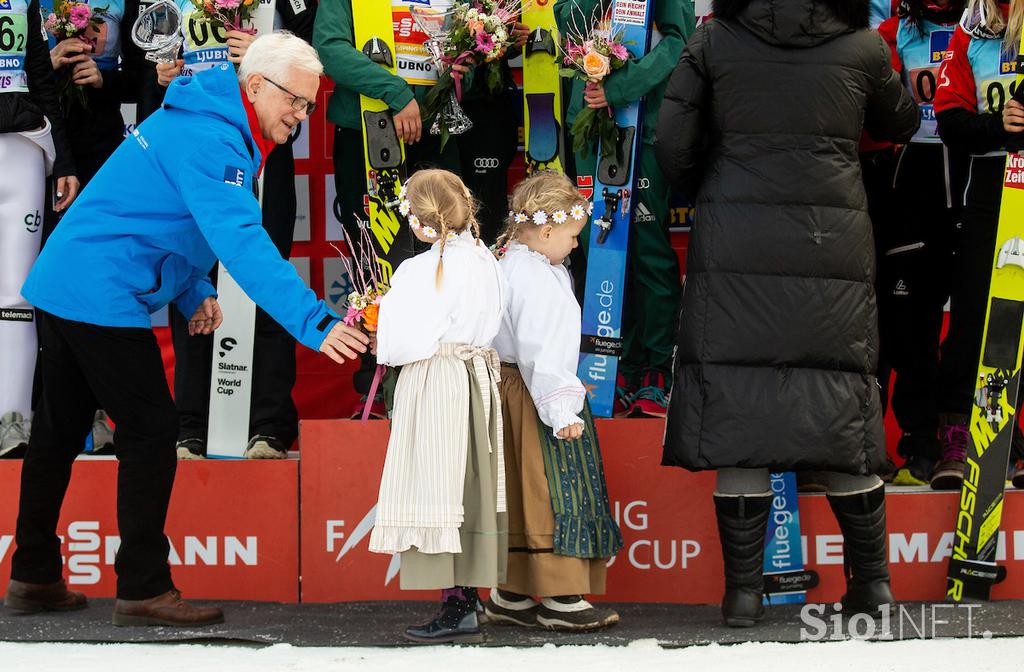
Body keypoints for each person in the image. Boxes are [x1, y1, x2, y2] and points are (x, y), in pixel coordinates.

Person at [4, 33, 369, 626]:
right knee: (151, 430)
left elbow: (156, 209)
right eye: (296, 102)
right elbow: (242, 243)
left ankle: (34, 574)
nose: (301, 116)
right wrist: (315, 320)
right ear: (256, 87)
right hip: (99, 288)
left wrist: (193, 287)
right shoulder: (214, 135)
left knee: (58, 431)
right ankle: (143, 587)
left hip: (69, 277)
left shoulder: (209, 116)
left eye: (309, 105)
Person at [656, 0, 918, 627]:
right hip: (832, 236)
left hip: (736, 234)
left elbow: (673, 142)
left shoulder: (715, 41)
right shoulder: (863, 45)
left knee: (736, 409)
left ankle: (743, 596)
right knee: (837, 402)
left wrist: (713, 188)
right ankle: (874, 586)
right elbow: (902, 120)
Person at [156, 0, 318, 460]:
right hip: (199, 147)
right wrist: (163, 76)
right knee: (192, 278)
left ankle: (268, 424)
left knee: (264, 269)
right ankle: (191, 425)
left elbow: (313, 51)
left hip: (264, 147)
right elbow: (149, 61)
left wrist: (269, 56)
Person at [368, 169, 507, 644]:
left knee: (438, 483)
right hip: (477, 378)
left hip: (437, 379)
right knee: (468, 484)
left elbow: (401, 341)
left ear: (423, 224)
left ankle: (457, 603)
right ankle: (469, 597)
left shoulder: (420, 269)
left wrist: (377, 330)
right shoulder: (486, 260)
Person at [484, 172, 623, 631]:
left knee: (520, 492)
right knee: (553, 488)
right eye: (571, 237)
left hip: (515, 390)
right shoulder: (536, 277)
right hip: (536, 394)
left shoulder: (514, 262)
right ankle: (562, 595)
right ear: (546, 232)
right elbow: (540, 348)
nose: (575, 246)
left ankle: (511, 592)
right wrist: (561, 408)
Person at [314, 0, 467, 419]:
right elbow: (329, 48)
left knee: (443, 254)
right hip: (368, 130)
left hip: (433, 131)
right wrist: (396, 93)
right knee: (372, 257)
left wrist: (458, 70)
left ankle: (441, 379)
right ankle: (378, 384)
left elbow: (456, 47)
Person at [554, 0, 695, 418]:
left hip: (643, 123)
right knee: (598, 247)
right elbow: (567, 22)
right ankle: (613, 366)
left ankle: (656, 371)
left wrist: (621, 86)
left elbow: (678, 42)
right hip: (590, 124)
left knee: (647, 250)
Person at [875, 0, 967, 486]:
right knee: (910, 323)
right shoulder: (894, 33)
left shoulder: (991, 29)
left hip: (979, 170)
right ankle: (921, 445)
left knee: (977, 319)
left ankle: (993, 438)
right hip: (913, 182)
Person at [933, 0, 1024, 489]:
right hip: (993, 182)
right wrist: (999, 126)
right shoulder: (973, 29)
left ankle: (1015, 441)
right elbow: (949, 121)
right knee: (973, 313)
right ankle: (957, 434)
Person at [0, 0, 79, 459]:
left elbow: (38, 72)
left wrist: (64, 160)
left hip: (25, 147)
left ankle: (13, 422)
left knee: (15, 296)